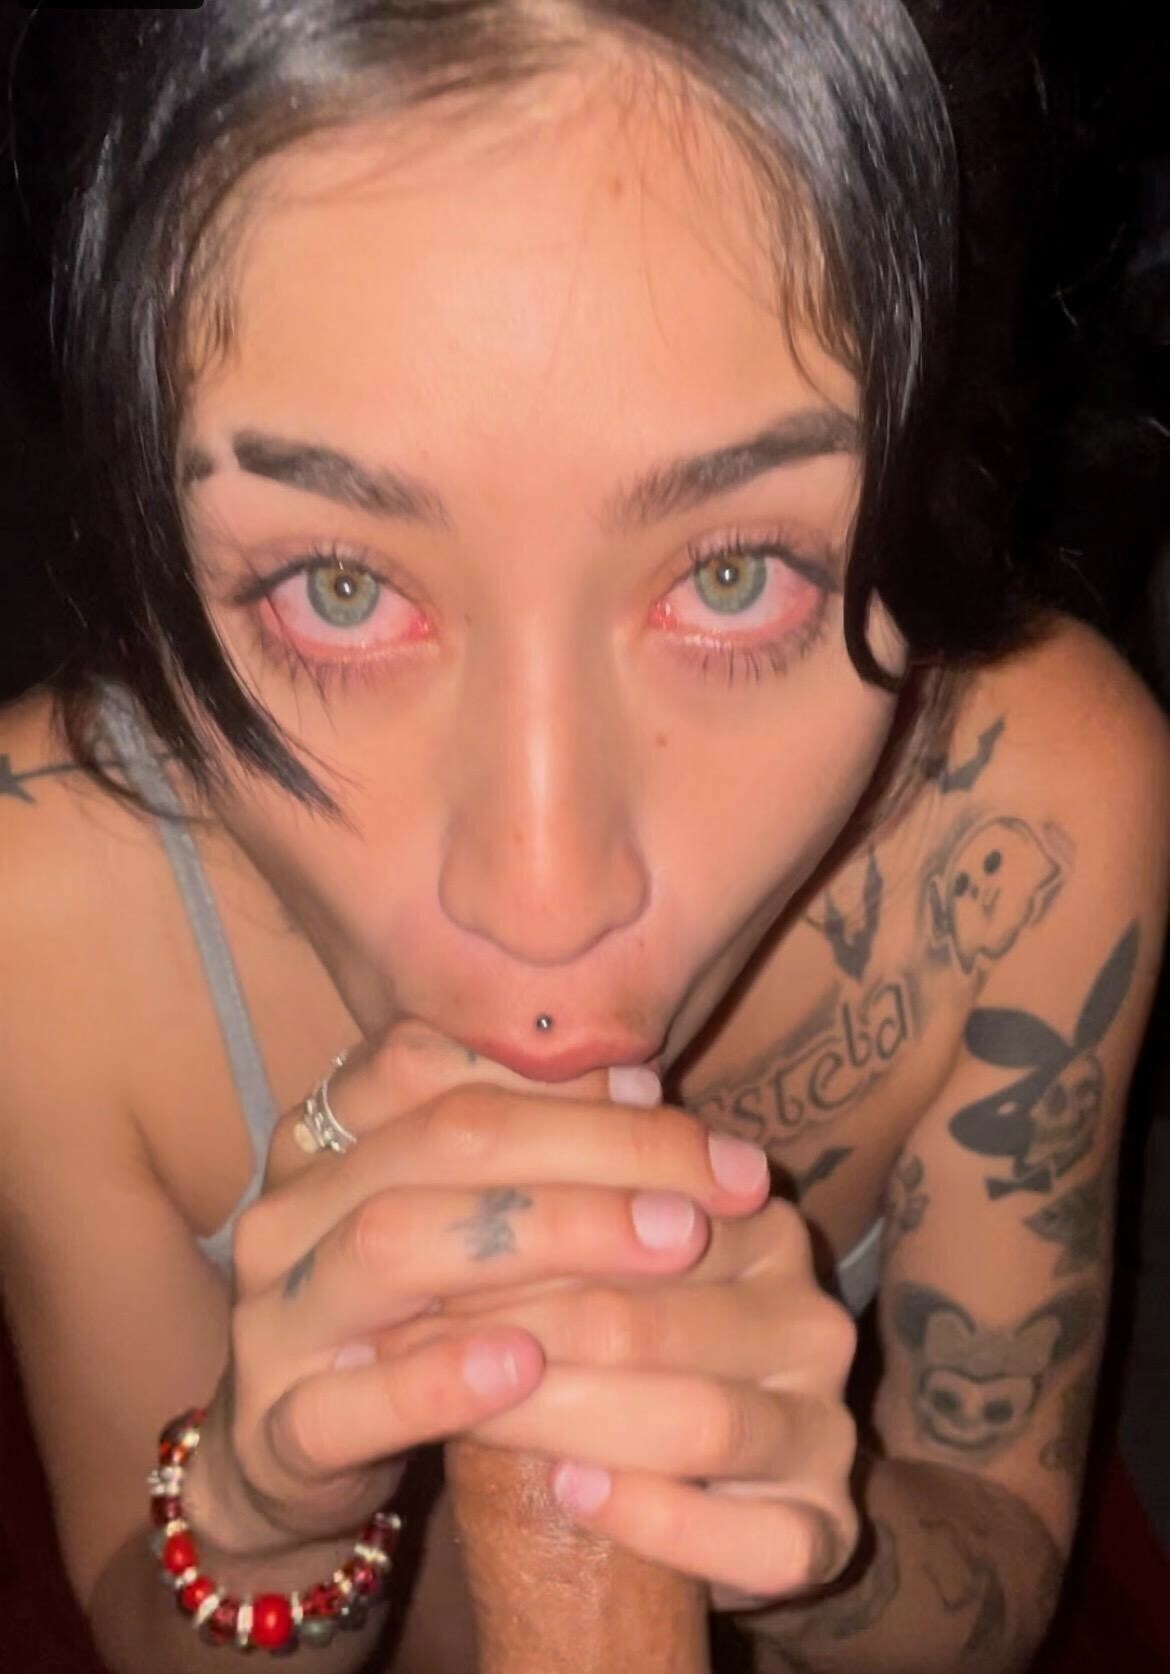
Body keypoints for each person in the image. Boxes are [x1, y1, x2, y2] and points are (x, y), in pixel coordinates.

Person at [1, 2, 1167, 1670]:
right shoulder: (38, 902)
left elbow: (996, 1565)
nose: (543, 903)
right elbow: (141, 1616)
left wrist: (790, 1540)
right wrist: (264, 1520)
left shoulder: (1043, 817)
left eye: (732, 573)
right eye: (340, 587)